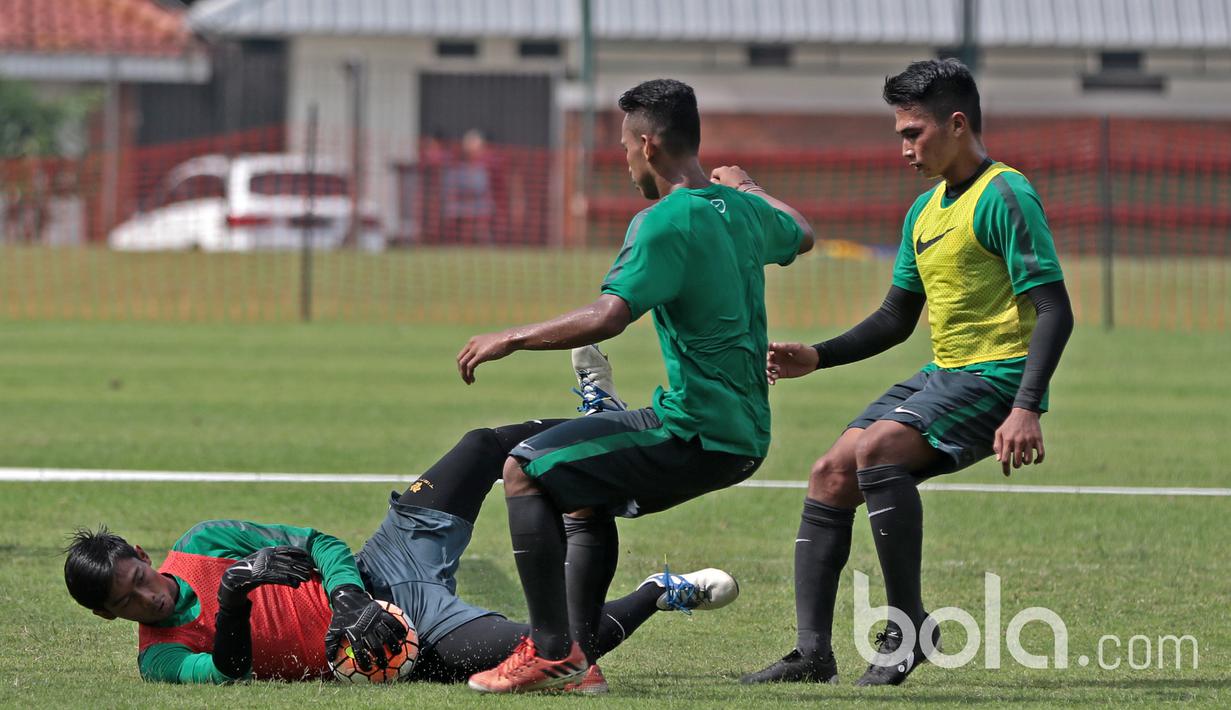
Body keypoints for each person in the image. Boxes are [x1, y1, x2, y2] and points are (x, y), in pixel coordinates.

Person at [455, 78, 815, 693]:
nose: (624, 162)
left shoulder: (662, 222)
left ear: (648, 146)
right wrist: (749, 186)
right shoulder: (744, 210)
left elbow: (609, 316)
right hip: (743, 434)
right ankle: (580, 664)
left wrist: (511, 336)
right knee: (583, 491)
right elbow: (801, 233)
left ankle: (550, 653)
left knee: (524, 468)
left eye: (625, 147)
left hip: (694, 430)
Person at [742, 58, 1074, 688]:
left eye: (913, 133)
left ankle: (909, 627)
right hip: (945, 373)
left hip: (999, 377)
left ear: (957, 124)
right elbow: (897, 317)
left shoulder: (1005, 194)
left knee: (878, 448)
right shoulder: (923, 211)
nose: (904, 148)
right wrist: (819, 355)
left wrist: (1026, 407)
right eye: (899, 134)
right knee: (829, 472)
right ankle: (812, 653)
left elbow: (1057, 309)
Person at [64, 406, 739, 690]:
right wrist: (238, 597)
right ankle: (659, 591)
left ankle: (608, 424)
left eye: (138, 576)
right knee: (554, 649)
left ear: (142, 553)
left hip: (386, 562)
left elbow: (320, 541)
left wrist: (346, 595)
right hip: (401, 641)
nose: (147, 597)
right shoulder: (159, 660)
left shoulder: (203, 542)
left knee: (480, 446)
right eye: (128, 603)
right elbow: (230, 674)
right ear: (107, 616)